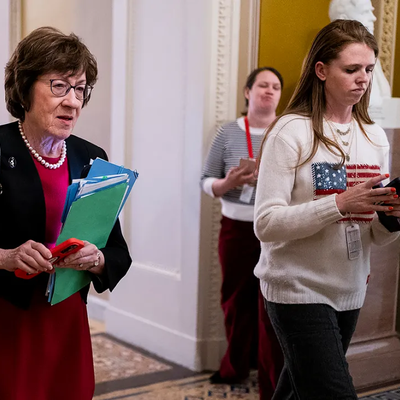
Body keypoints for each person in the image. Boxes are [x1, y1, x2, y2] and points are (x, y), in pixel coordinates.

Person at [254, 19, 400, 399]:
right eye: (351, 69)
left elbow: (375, 234)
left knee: (296, 392)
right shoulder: (290, 131)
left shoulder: (375, 137)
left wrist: (392, 218)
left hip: (350, 288)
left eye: (369, 69)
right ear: (321, 70)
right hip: (297, 289)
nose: (363, 79)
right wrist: (339, 204)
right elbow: (266, 224)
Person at [0, 27, 131, 400]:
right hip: (9, 322)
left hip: (66, 320)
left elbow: (117, 252)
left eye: (80, 89)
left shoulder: (91, 157)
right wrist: (6, 257)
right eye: (59, 86)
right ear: (25, 87)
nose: (73, 102)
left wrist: (96, 258)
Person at [201, 67, 284, 399]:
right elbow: (206, 181)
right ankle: (235, 365)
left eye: (276, 86)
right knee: (235, 300)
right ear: (248, 92)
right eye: (263, 85)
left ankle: (271, 381)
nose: (269, 91)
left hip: (277, 229)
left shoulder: (287, 131)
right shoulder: (227, 132)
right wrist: (229, 182)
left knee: (271, 305)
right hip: (236, 228)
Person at [329, 0, 392, 108]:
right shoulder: (325, 55)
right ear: (343, 19)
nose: (373, 18)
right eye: (365, 12)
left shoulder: (371, 57)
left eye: (368, 69)